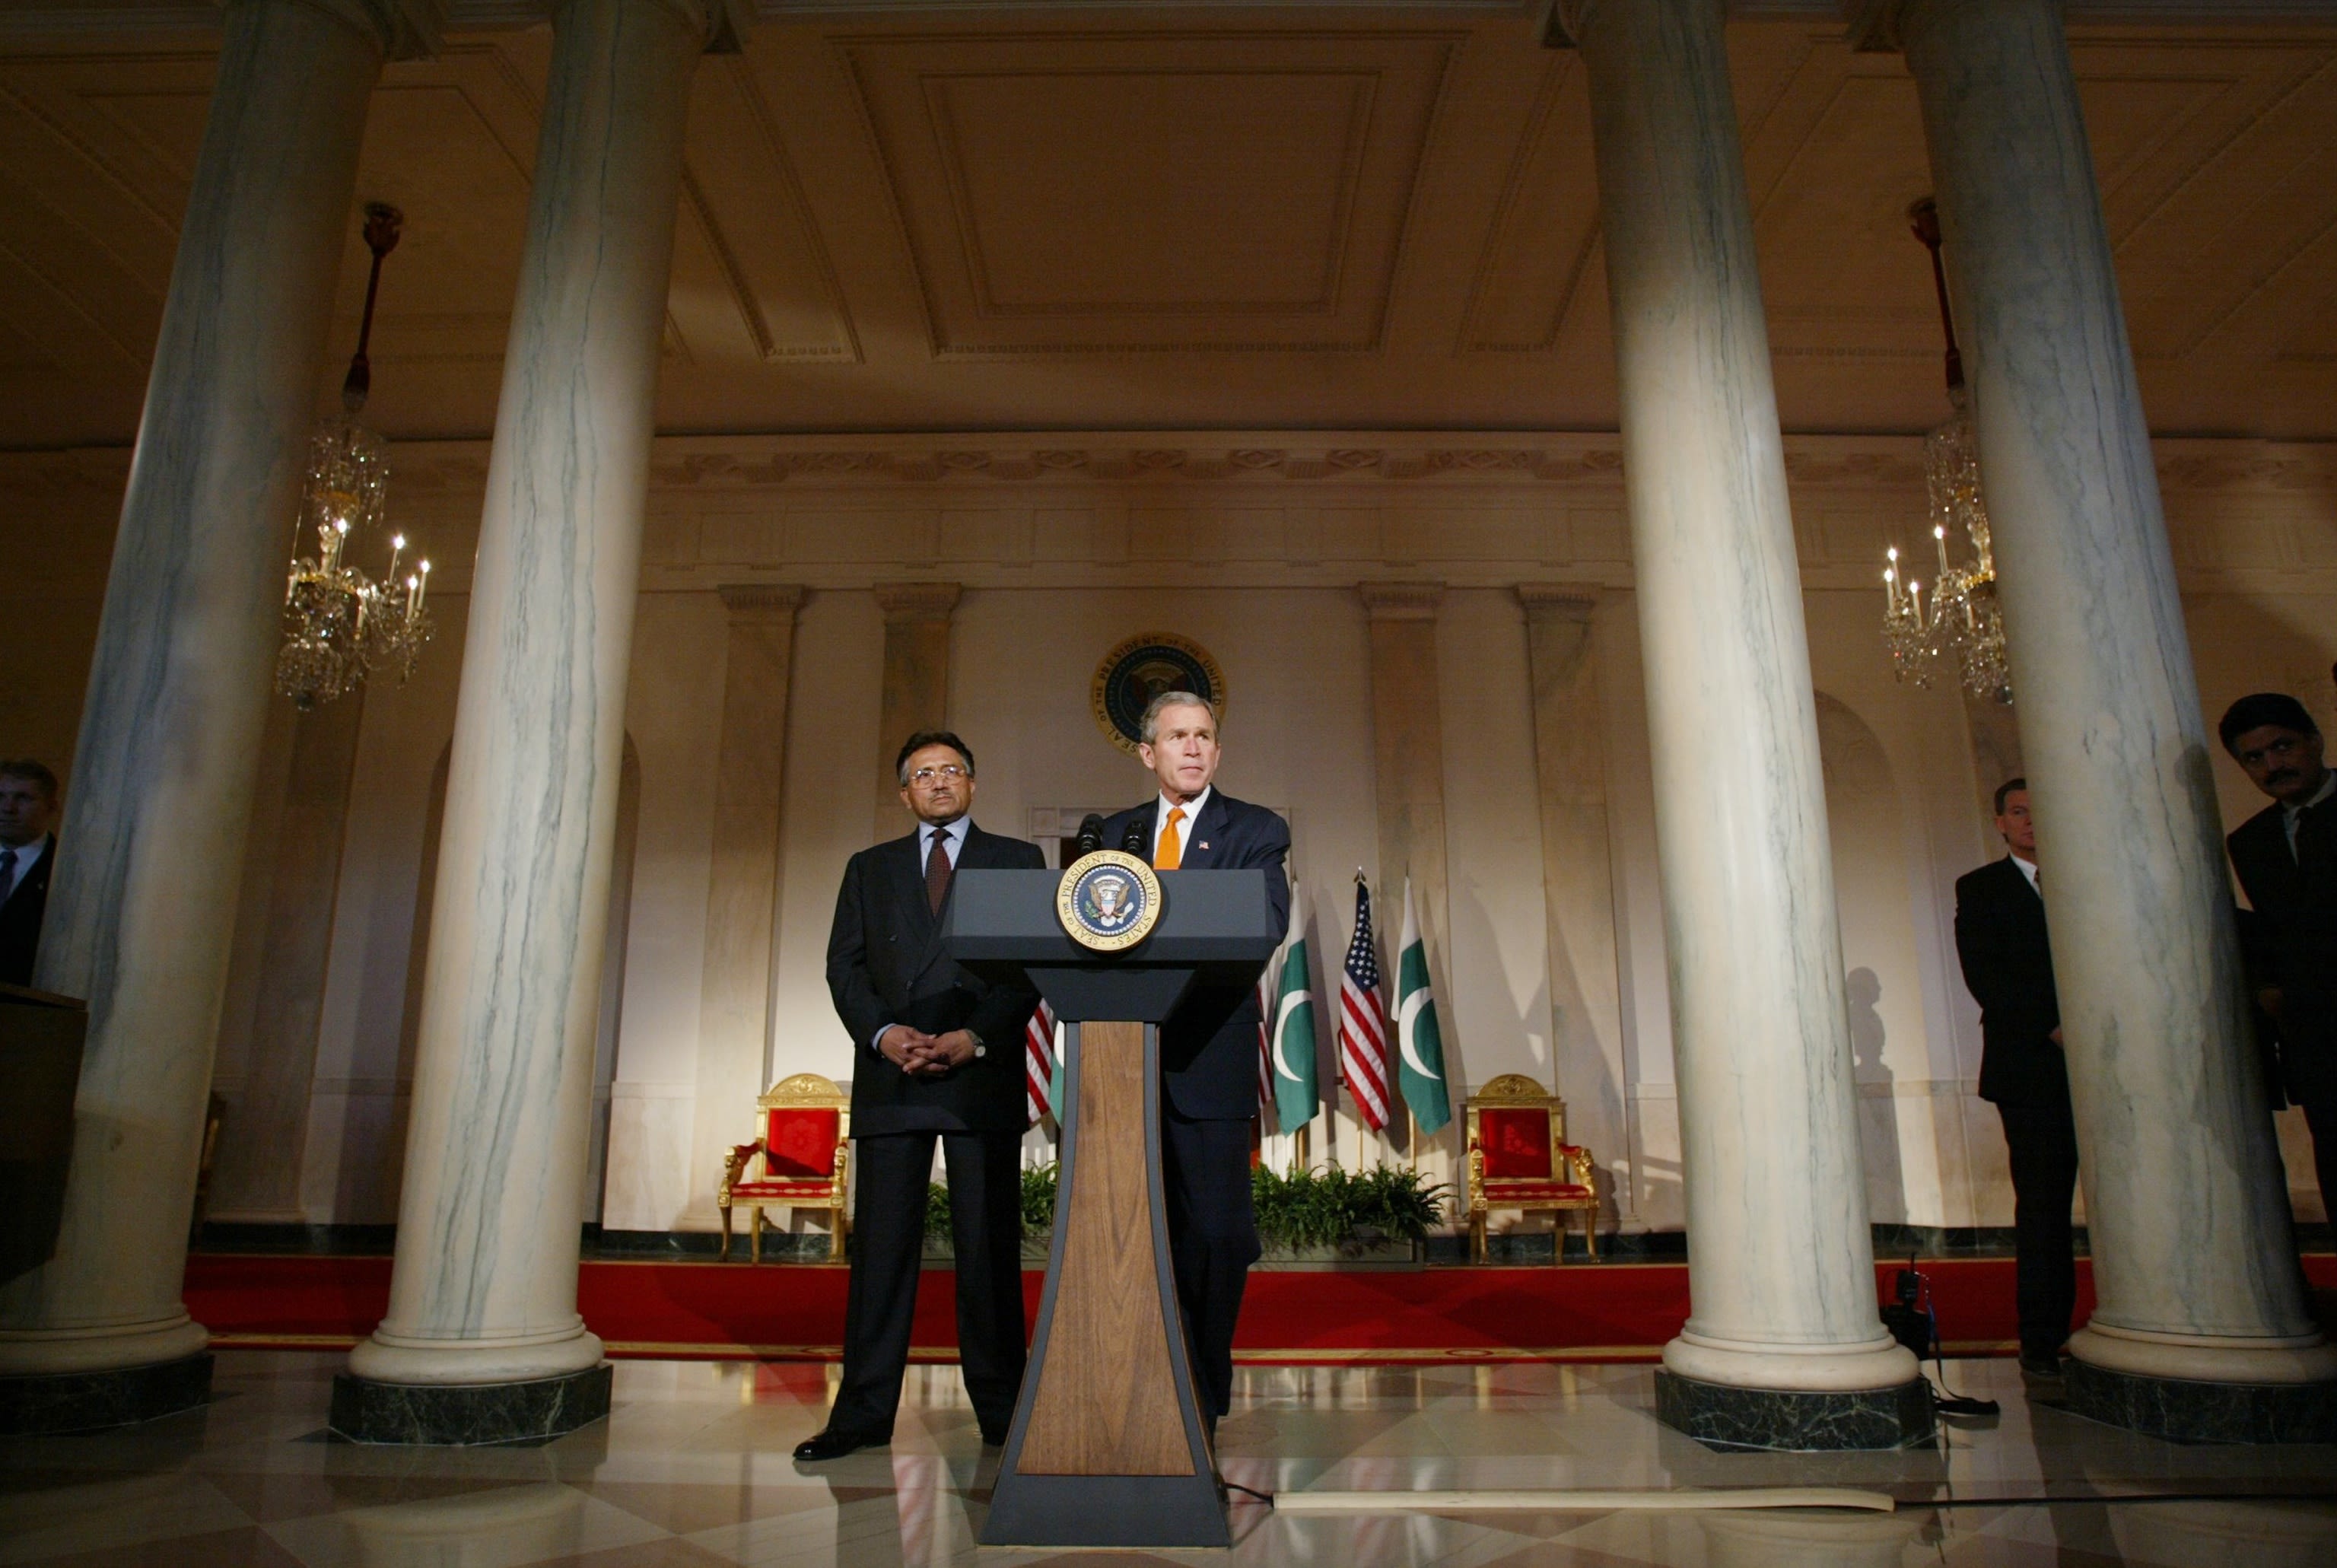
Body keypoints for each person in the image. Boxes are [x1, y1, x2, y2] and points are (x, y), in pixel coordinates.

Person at [796, 730, 1045, 1462]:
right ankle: (862, 1414)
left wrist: (978, 1035)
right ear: (904, 792)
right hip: (891, 1077)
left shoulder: (1016, 861)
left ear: (972, 783)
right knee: (881, 1254)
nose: (939, 782)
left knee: (988, 1253)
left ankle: (1004, 1411)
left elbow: (1030, 967)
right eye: (923, 774)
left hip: (979, 1076)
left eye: (952, 771)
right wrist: (882, 1034)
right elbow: (845, 968)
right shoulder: (868, 869)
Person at [1098, 692, 1289, 1442]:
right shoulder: (1113, 834)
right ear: (1147, 753)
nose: (1192, 748)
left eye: (1204, 735)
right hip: (1122, 1061)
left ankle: (1202, 1396)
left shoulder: (1254, 830)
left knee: (1215, 1235)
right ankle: (1134, 1390)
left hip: (1208, 1057)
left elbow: (1259, 925)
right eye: (1176, 737)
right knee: (1128, 1238)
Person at [1953, 777, 2075, 1378]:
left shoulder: (2090, 877)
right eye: (2020, 812)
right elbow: (1988, 978)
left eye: (2040, 809)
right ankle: (2043, 1337)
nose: (2031, 821)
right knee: (2044, 1204)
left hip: (2113, 1068)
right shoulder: (1980, 889)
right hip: (2030, 1070)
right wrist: (2053, 1028)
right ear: (2000, 821)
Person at [2220, 692, 2337, 1217]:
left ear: (2315, 740)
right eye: (2255, 757)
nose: (2273, 765)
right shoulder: (2252, 841)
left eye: (2283, 746)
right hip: (2320, 1042)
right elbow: (2272, 931)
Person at [0, 759, 60, 988]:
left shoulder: (63, 871)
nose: (8, 808)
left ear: (51, 807)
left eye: (23, 798)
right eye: (1, 796)